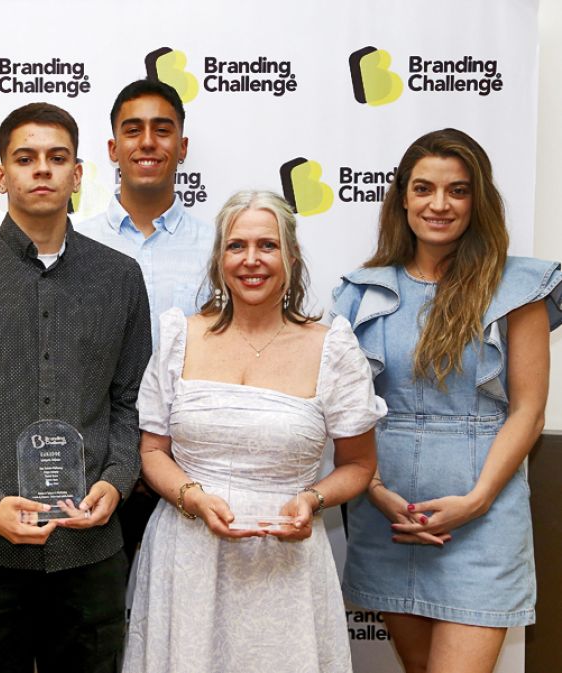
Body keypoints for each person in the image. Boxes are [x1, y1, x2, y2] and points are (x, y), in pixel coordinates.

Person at [0, 102, 151, 673]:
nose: (42, 169)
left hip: (89, 548)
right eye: (25, 158)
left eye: (57, 158)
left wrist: (116, 482)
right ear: (1, 175)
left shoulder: (120, 277)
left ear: (78, 175)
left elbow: (131, 402)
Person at [123, 190, 383, 673]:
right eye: (236, 246)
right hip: (187, 555)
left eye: (267, 245)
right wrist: (193, 497)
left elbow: (359, 464)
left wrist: (312, 500)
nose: (251, 260)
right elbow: (152, 451)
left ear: (291, 257)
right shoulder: (180, 336)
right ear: (219, 258)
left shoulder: (333, 348)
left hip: (287, 566)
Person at [333, 128, 562, 673]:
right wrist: (376, 490)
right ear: (402, 199)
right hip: (390, 519)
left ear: (478, 200)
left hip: (483, 520)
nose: (440, 204)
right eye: (424, 189)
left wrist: (477, 501)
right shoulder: (362, 292)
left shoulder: (519, 287)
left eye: (457, 190)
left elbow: (528, 411)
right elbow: (345, 413)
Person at [77, 78, 214, 567]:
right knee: (97, 609)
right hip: (95, 466)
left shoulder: (220, 248)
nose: (148, 142)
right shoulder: (75, 243)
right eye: (133, 130)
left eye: (163, 129)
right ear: (113, 148)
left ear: (183, 146)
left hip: (190, 464)